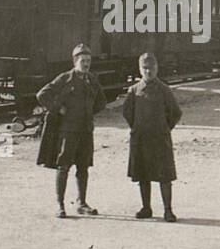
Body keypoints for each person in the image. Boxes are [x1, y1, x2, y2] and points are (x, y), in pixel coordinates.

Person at [36, 43, 108, 218]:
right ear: (75, 61)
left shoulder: (92, 79)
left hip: (86, 130)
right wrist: (58, 109)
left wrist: (90, 112)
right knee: (64, 166)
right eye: (83, 61)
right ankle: (60, 205)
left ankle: (82, 203)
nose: (86, 64)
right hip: (69, 130)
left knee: (83, 167)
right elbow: (42, 95)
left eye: (89, 61)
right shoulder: (65, 78)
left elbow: (102, 102)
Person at [122, 53, 182, 222]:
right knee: (143, 174)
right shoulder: (134, 91)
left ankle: (168, 210)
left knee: (165, 176)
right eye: (145, 68)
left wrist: (163, 128)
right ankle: (146, 208)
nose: (148, 71)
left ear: (157, 69)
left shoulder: (164, 90)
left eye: (152, 68)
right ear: (140, 70)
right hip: (141, 139)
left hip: (160, 139)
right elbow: (127, 112)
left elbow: (175, 113)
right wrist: (138, 127)